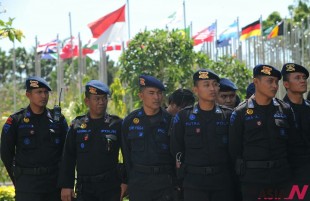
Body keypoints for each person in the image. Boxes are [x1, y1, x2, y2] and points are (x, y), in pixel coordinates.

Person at [229, 64, 295, 201]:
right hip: (253, 180)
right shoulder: (241, 112)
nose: (275, 86)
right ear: (256, 82)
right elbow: (234, 149)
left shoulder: (285, 109)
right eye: (270, 81)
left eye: (276, 82)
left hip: (281, 178)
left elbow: (293, 144)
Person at [0, 76, 68, 201]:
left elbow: (68, 152)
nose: (43, 96)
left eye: (46, 92)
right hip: (27, 186)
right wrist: (17, 178)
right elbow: (6, 153)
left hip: (53, 185)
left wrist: (66, 184)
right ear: (28, 95)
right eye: (39, 92)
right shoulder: (16, 120)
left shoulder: (58, 120)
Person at [170, 69, 234, 201]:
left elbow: (234, 149)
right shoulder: (184, 117)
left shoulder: (228, 115)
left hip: (222, 182)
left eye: (215, 84)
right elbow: (176, 149)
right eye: (206, 85)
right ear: (195, 89)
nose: (212, 88)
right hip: (194, 184)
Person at [58, 80, 126, 201]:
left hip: (110, 188)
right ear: (87, 101)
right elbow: (68, 157)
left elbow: (128, 155)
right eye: (97, 99)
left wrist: (126, 182)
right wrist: (66, 185)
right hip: (85, 189)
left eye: (104, 99)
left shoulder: (116, 124)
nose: (101, 102)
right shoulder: (77, 125)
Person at [121, 75, 175, 201]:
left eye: (159, 93)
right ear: (141, 96)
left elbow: (176, 153)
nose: (156, 97)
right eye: (151, 93)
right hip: (139, 183)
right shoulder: (130, 122)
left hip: (165, 184)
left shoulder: (170, 121)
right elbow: (126, 156)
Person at [281, 63, 310, 200]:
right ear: (286, 84)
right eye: (297, 78)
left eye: (304, 77)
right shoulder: (278, 111)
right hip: (290, 175)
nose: (303, 80)